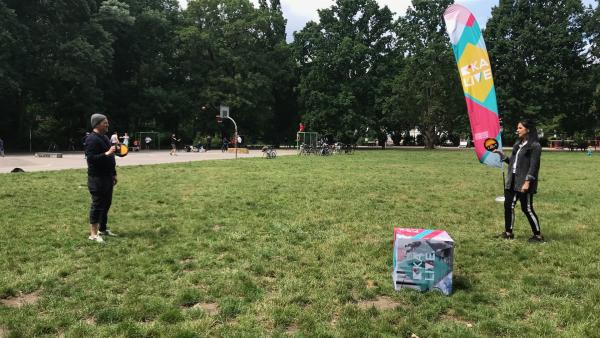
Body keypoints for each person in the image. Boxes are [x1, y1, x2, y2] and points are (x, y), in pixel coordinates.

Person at [495, 119, 544, 242]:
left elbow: (534, 166)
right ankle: (508, 232)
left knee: (526, 208)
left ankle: (537, 235)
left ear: (528, 130)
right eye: (517, 128)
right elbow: (512, 162)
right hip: (511, 180)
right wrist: (502, 156)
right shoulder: (518, 144)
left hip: (524, 181)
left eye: (520, 128)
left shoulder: (535, 146)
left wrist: (527, 182)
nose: (517, 130)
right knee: (508, 206)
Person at [85, 114, 118, 242]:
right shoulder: (91, 139)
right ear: (97, 124)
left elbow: (111, 157)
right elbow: (91, 158)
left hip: (107, 177)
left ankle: (102, 229)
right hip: (97, 178)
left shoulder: (104, 137)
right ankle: (93, 234)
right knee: (97, 204)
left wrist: (113, 173)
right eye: (105, 123)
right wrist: (106, 153)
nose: (107, 125)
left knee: (107, 203)